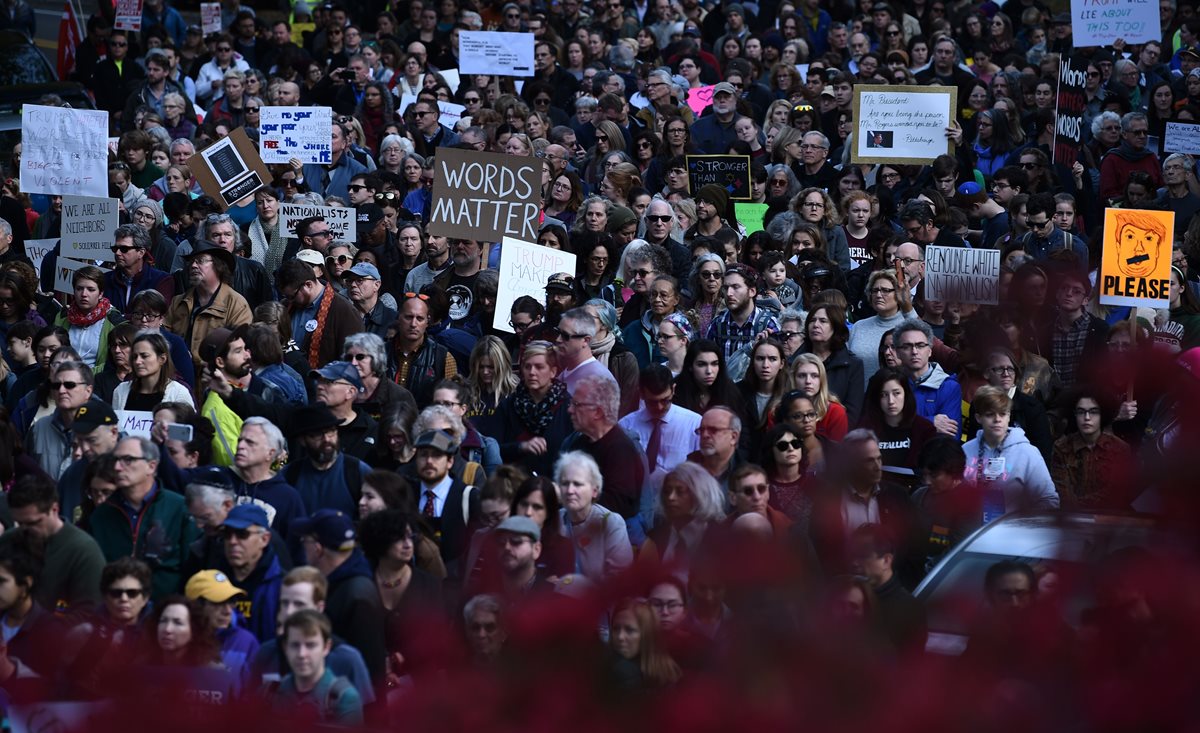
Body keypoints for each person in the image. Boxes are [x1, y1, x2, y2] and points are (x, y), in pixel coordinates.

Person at [808, 429, 924, 589]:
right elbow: (821, 555)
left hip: (892, 594)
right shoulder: (828, 502)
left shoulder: (897, 497)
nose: (877, 466)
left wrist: (900, 589)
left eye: (879, 459)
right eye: (869, 461)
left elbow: (915, 548)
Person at [90, 437, 199, 600]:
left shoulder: (179, 508)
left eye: (128, 460)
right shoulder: (101, 514)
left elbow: (193, 568)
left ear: (151, 466)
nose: (117, 467)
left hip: (165, 612)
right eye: (115, 460)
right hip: (115, 608)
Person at [292, 509, 387, 686]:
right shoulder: (341, 584)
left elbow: (370, 672)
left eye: (305, 540)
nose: (303, 546)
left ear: (318, 549)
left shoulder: (357, 596)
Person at [7, 474, 105, 617]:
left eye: (33, 523)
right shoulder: (8, 542)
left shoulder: (83, 551)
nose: (25, 530)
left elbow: (90, 613)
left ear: (54, 509)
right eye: (19, 523)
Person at [961, 387, 1059, 522]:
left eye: (1002, 414)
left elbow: (1048, 499)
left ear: (1009, 417)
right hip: (972, 535)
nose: (997, 419)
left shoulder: (1027, 453)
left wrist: (1024, 524)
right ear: (978, 418)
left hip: (1014, 534)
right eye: (990, 414)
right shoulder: (965, 451)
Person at [562, 375, 646, 520]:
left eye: (576, 404)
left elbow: (619, 506)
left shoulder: (621, 449)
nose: (569, 410)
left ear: (598, 412)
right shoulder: (577, 443)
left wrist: (568, 494)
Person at [165, 241, 253, 374]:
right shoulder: (178, 302)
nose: (194, 265)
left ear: (218, 266)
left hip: (214, 381)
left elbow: (238, 350)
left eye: (200, 261)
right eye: (192, 261)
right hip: (177, 379)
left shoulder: (237, 304)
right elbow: (164, 339)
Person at [270, 609, 365, 724]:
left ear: (326, 647)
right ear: (285, 647)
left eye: (310, 645)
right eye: (295, 645)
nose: (301, 654)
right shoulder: (270, 694)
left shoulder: (344, 698)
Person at [496, 341, 573, 477]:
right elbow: (494, 448)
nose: (532, 372)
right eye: (527, 367)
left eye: (539, 367)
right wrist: (520, 447)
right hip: (514, 483)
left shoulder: (568, 408)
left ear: (553, 371)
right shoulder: (509, 405)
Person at [1050, 390, 1135, 511]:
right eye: (1081, 412)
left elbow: (1116, 493)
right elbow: (1063, 493)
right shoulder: (1062, 448)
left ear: (1103, 414)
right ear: (1074, 414)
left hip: (1110, 519)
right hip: (1072, 519)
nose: (1087, 418)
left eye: (1093, 412)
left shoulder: (1119, 449)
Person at [555, 451, 633, 582]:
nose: (569, 491)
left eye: (577, 484)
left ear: (594, 491)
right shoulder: (554, 520)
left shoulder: (611, 522)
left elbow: (619, 580)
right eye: (564, 483)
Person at [849, 523, 927, 654]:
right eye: (853, 555)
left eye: (863, 556)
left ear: (886, 560)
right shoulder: (847, 600)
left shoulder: (909, 609)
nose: (854, 562)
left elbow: (910, 665)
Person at [215, 504, 286, 643]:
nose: (233, 541)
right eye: (227, 534)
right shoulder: (213, 578)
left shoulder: (283, 585)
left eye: (242, 534)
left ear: (264, 539)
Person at [411, 428, 479, 572]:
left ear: (450, 461)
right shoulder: (406, 493)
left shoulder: (469, 497)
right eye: (423, 455)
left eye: (436, 455)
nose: (429, 461)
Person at [618, 365, 701, 481]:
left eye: (665, 400)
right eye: (652, 402)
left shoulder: (694, 424)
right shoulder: (626, 426)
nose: (659, 407)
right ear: (641, 394)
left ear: (673, 390)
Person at [640, 461, 726, 571]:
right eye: (667, 491)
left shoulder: (720, 538)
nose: (671, 497)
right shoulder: (655, 538)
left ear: (700, 494)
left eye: (680, 491)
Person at [859, 368, 938, 485]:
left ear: (906, 394)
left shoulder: (924, 429)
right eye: (884, 395)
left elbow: (932, 470)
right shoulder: (865, 429)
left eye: (896, 393)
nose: (891, 401)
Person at [847, 270, 917, 390]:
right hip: (861, 400)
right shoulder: (859, 326)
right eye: (875, 290)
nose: (879, 295)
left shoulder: (908, 325)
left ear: (899, 293)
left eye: (885, 290)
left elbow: (926, 339)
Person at [27, 361, 96, 480]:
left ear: (88, 391)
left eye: (69, 385)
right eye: (56, 385)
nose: (61, 390)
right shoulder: (39, 428)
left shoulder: (106, 428)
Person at [795, 303, 864, 423]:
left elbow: (852, 414)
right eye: (812, 320)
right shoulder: (794, 362)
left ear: (836, 326)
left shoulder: (852, 365)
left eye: (823, 321)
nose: (816, 325)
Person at [893, 320, 961, 438]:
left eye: (920, 345)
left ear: (930, 350)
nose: (914, 352)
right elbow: (880, 427)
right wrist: (930, 422)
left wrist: (903, 424)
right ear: (897, 352)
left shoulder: (948, 386)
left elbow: (950, 436)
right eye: (907, 346)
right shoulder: (889, 384)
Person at [706, 264, 779, 362]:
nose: (729, 293)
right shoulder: (717, 324)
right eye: (726, 288)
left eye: (735, 287)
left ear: (752, 291)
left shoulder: (768, 324)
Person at [607, 598, 682, 690]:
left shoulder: (665, 680)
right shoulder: (600, 668)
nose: (620, 637)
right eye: (616, 629)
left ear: (647, 635)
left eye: (629, 630)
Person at [112, 331, 194, 411]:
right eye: (134, 357)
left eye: (144, 356)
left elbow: (189, 423)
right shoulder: (121, 390)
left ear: (162, 359)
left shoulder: (178, 393)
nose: (137, 361)